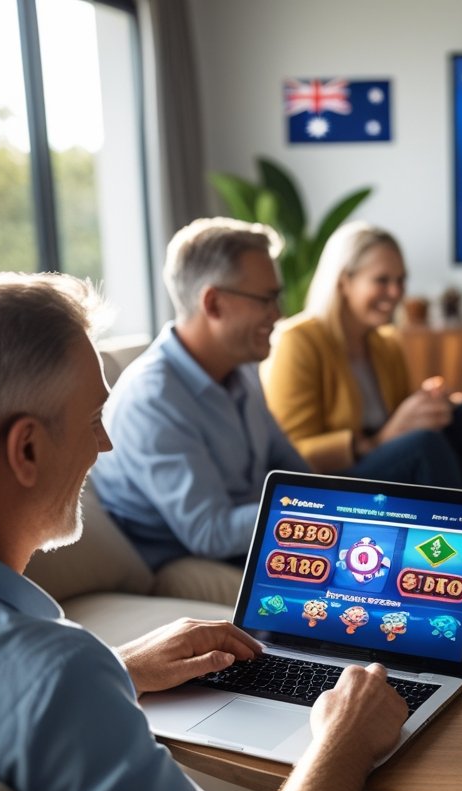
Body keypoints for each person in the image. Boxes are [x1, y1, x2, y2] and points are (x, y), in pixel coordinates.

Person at [0, 273, 407, 791]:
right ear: (28, 448)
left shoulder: (42, 670)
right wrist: (345, 740)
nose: (105, 445)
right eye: (93, 421)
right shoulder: (56, 672)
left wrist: (117, 669)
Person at [262, 221, 462, 549]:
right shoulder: (298, 342)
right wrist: (376, 440)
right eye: (382, 280)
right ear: (344, 281)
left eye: (400, 280)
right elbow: (292, 456)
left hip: (383, 458)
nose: (396, 293)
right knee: (423, 446)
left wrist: (446, 403)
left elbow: (402, 418)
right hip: (330, 485)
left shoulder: (385, 343)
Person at [91, 218, 308, 579]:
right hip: (190, 557)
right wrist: (308, 511)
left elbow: (291, 468)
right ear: (214, 303)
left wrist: (332, 506)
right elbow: (211, 532)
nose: (279, 313)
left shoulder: (241, 370)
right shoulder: (153, 399)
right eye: (266, 299)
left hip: (251, 536)